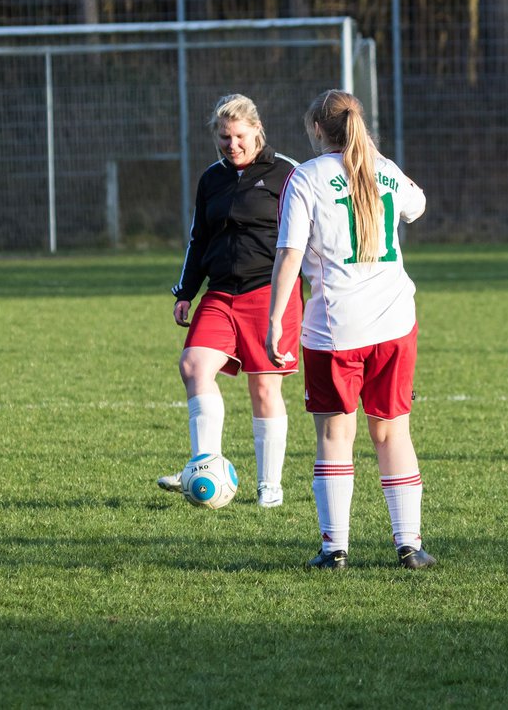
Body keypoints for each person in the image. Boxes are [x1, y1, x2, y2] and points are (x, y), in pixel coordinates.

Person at [265, 89, 434, 569]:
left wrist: (275, 319)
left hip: (335, 328)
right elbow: (417, 205)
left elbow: (290, 254)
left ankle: (334, 549)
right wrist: (376, 157)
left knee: (335, 437)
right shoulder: (384, 168)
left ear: (318, 130)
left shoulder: (306, 177)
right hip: (395, 322)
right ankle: (410, 546)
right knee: (393, 433)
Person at [159, 93, 302, 508]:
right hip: (220, 292)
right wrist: (186, 291)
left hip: (270, 293)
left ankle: (269, 487)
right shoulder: (212, 178)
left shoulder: (287, 173)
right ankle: (205, 464)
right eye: (224, 137)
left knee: (264, 388)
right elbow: (198, 239)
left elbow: (310, 236)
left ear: (257, 130)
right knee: (194, 366)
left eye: (239, 135)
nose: (232, 144)